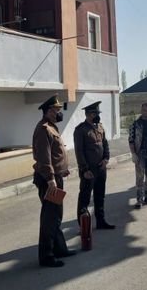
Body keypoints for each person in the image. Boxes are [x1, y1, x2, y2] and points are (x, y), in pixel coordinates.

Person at [32, 94, 76, 268]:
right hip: (48, 180)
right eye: (56, 109)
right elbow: (44, 158)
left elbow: (55, 154)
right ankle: (47, 256)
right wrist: (51, 179)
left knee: (56, 216)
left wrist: (61, 170)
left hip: (55, 177)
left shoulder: (51, 127)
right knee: (49, 218)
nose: (59, 112)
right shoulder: (43, 129)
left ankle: (59, 249)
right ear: (48, 111)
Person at [74, 101, 115, 230]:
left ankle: (101, 221)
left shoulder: (100, 127)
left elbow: (105, 144)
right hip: (89, 169)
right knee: (85, 198)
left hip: (101, 168)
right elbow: (79, 151)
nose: (97, 115)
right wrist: (84, 169)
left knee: (100, 196)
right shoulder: (81, 130)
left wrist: (106, 158)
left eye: (97, 113)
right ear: (88, 114)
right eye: (94, 113)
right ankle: (83, 227)